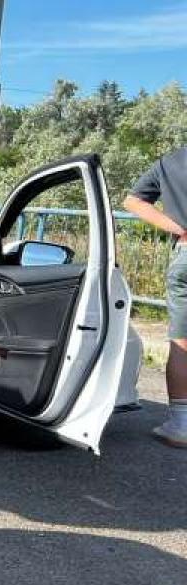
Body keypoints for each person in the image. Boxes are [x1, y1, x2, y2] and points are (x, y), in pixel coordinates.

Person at [124, 150, 187, 447]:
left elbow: (133, 201)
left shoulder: (170, 162)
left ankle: (181, 425)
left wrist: (179, 230)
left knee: (183, 340)